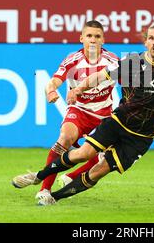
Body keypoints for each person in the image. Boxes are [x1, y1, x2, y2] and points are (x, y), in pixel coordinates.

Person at [12, 23, 154, 205]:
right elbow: (100, 76)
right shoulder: (132, 63)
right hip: (118, 121)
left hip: (142, 136)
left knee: (97, 172)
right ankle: (40, 177)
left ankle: (54, 197)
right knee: (82, 153)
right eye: (151, 38)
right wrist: (80, 88)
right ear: (145, 41)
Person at [13, 20, 119, 205]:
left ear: (103, 40)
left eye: (97, 36)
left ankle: (71, 176)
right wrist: (51, 91)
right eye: (89, 36)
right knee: (64, 139)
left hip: (103, 114)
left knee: (103, 159)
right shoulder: (73, 60)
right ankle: (45, 189)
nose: (93, 40)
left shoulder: (112, 61)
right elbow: (53, 81)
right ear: (81, 39)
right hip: (79, 111)